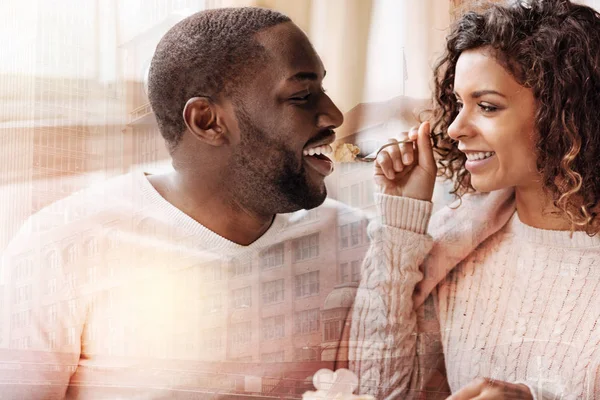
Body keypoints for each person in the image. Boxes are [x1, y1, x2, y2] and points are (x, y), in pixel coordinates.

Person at [0, 7, 389, 399]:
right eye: (302, 96)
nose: (334, 114)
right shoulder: (62, 246)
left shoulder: (358, 242)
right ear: (207, 121)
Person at [349, 0, 600, 399]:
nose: (454, 128)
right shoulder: (458, 245)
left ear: (564, 114)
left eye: (486, 106)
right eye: (459, 103)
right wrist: (400, 217)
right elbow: (376, 391)